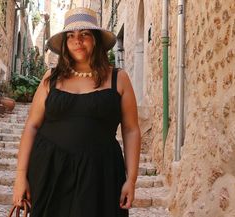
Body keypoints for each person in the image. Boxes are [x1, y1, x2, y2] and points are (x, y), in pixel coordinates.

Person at [12, 7, 141, 217]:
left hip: (101, 173)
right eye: (70, 36)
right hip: (50, 170)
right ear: (64, 43)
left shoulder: (119, 78)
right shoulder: (51, 78)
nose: (77, 41)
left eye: (84, 34)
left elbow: (131, 129)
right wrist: (20, 177)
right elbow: (32, 126)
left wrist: (131, 179)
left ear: (96, 40)